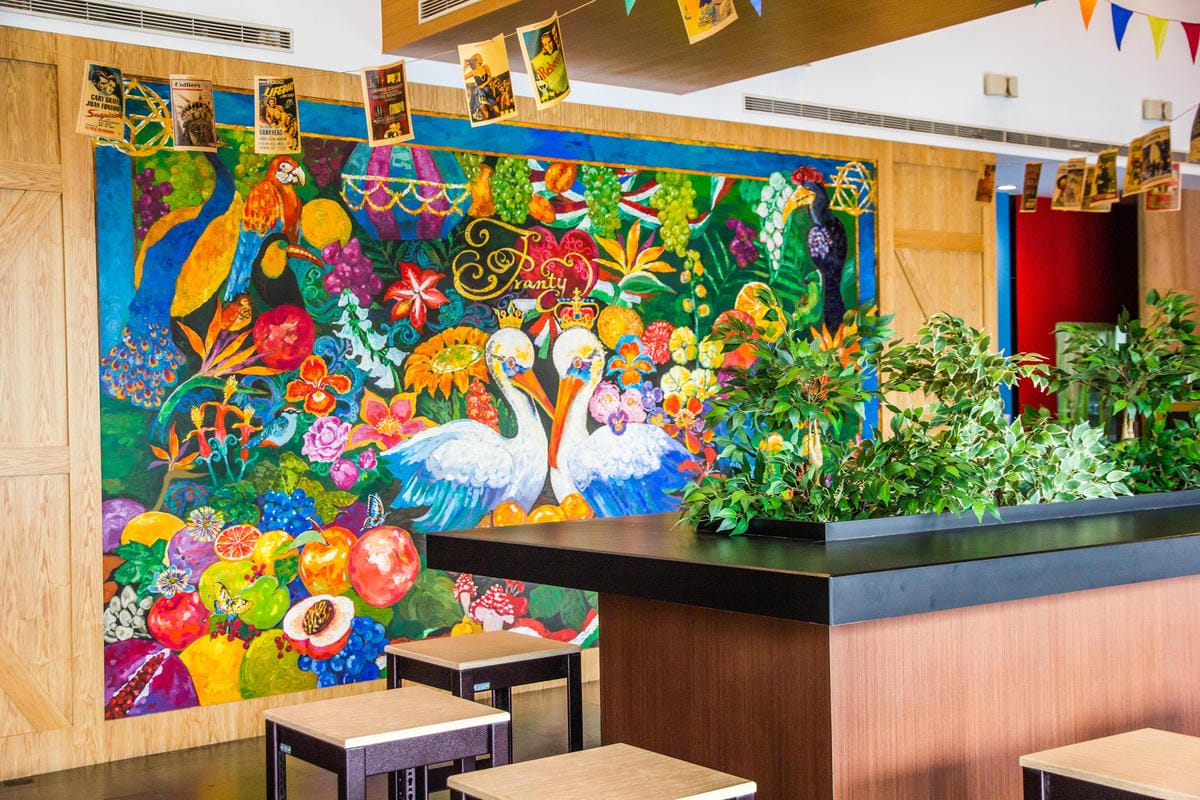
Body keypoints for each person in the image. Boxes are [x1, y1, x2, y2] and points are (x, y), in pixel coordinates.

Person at [528, 28, 568, 102]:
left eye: (549, 42)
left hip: (564, 87)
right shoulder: (540, 59)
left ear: (553, 40)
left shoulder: (557, 48)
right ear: (544, 47)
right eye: (545, 44)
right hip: (557, 91)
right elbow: (532, 64)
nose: (549, 46)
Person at [463, 54, 499, 122]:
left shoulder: (485, 67)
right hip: (480, 93)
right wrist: (464, 68)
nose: (482, 58)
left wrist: (483, 85)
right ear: (475, 60)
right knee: (486, 115)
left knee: (496, 111)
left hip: (488, 91)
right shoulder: (473, 72)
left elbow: (490, 78)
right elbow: (462, 78)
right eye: (480, 57)